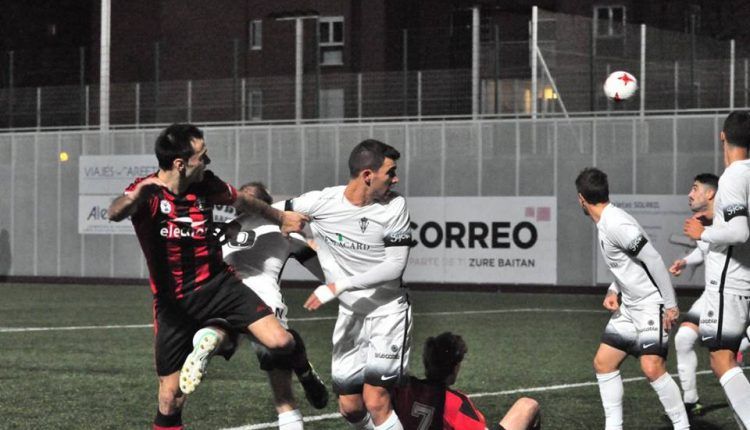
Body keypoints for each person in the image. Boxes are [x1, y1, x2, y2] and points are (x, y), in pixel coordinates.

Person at [107, 123, 308, 430]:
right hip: (174, 304)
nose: (208, 161)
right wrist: (134, 199)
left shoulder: (207, 184)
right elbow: (114, 212)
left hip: (220, 285)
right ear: (180, 164)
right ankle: (214, 339)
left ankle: (218, 340)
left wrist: (281, 217)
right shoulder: (147, 192)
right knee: (170, 399)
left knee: (280, 340)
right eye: (202, 156)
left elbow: (244, 201)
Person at [282, 139, 413, 430]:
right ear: (368, 175)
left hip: (388, 313)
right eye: (390, 172)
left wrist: (338, 286)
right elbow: (274, 212)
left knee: (376, 400)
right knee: (351, 408)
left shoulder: (395, 206)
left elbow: (394, 266)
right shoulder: (323, 202)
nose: (396, 178)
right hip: (350, 315)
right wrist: (254, 225)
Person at [575, 167, 689, 430]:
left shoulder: (616, 223)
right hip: (630, 304)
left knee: (652, 367)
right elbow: (629, 264)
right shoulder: (606, 222)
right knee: (604, 363)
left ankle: (683, 427)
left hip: (650, 303)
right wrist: (613, 290)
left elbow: (653, 259)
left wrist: (670, 304)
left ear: (581, 198)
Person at [220, 181, 329, 429]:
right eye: (241, 201)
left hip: (258, 304)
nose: (242, 204)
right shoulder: (230, 229)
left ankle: (303, 369)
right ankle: (303, 368)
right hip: (242, 302)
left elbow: (319, 268)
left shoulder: (277, 227)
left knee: (282, 392)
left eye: (250, 200)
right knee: (282, 393)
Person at [683, 111, 750, 427]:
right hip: (744, 281)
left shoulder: (734, 176)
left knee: (721, 359)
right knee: (729, 357)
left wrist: (703, 234)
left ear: (723, 136)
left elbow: (739, 232)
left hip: (731, 285)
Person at [391, 332, 541, 430]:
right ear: (455, 367)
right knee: (528, 405)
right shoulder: (456, 402)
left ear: (426, 361)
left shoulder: (405, 388)